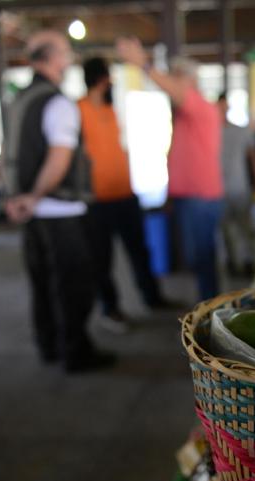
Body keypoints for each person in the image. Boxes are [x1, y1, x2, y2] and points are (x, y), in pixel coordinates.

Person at [4, 30, 114, 373]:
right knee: (73, 284)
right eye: (65, 53)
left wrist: (17, 199)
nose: (69, 59)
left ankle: (49, 345)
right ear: (51, 59)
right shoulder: (57, 102)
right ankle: (76, 353)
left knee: (42, 284)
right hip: (59, 209)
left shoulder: (19, 100)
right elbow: (59, 158)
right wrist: (35, 196)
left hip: (32, 212)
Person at [116, 38, 224, 301]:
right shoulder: (185, 114)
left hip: (200, 197)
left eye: (176, 77)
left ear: (189, 81)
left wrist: (144, 64)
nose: (170, 84)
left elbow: (175, 91)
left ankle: (209, 310)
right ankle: (207, 306)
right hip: (191, 196)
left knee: (203, 256)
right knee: (198, 257)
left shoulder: (199, 106)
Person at [78, 57, 167, 333]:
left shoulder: (109, 110)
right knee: (101, 260)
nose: (111, 83)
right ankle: (110, 309)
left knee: (140, 250)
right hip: (97, 199)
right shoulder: (77, 110)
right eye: (108, 78)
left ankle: (152, 297)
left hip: (124, 193)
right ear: (101, 79)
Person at [216, 92, 255, 276]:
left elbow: (253, 158)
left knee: (245, 228)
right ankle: (233, 263)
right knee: (227, 231)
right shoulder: (210, 131)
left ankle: (249, 261)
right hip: (219, 191)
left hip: (239, 188)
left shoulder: (241, 131)